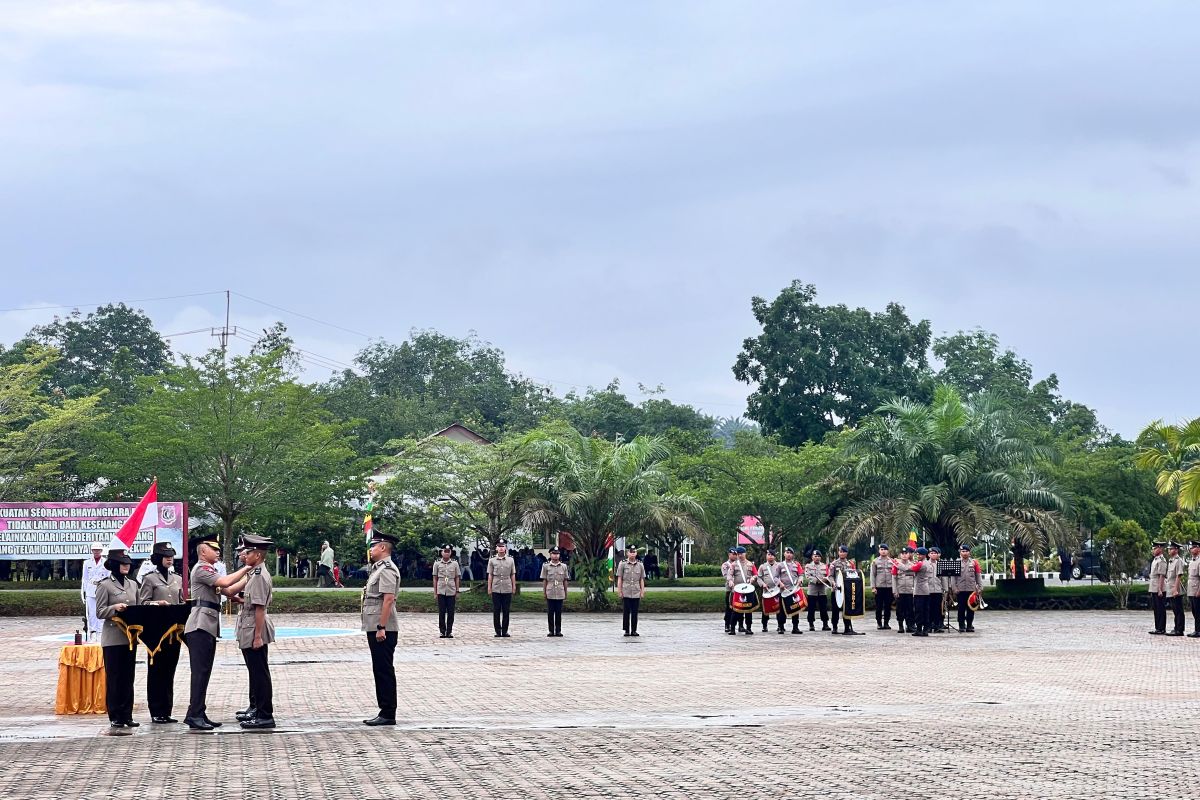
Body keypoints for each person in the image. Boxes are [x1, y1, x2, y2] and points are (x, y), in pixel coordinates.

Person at [182, 537, 252, 730]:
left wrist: (249, 575)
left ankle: (198, 712)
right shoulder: (202, 569)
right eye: (214, 549)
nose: (218, 552)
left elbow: (228, 590)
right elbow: (226, 581)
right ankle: (194, 714)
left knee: (204, 671)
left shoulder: (209, 570)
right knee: (200, 672)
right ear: (203, 552)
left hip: (207, 624)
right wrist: (247, 568)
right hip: (200, 625)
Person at [137, 542, 184, 724]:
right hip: (156, 633)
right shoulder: (150, 579)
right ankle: (156, 710)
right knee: (157, 671)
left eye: (171, 555)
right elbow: (143, 603)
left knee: (169, 671)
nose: (169, 558)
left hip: (173, 633)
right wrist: (157, 604)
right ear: (157, 558)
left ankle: (167, 710)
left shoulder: (178, 579)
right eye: (165, 556)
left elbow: (180, 601)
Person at [94, 548, 140, 730]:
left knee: (128, 678)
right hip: (113, 638)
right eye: (122, 563)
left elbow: (137, 608)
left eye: (128, 563)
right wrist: (115, 607)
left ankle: (127, 715)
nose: (126, 566)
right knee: (114, 678)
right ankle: (115, 715)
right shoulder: (104, 585)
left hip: (129, 637)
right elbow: (99, 611)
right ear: (113, 565)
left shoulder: (133, 585)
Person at [235, 534, 277, 729]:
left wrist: (258, 636)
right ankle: (259, 712)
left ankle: (264, 715)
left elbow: (260, 608)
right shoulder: (255, 573)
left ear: (258, 555)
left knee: (260, 673)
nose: (245, 554)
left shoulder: (259, 576)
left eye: (249, 552)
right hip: (251, 625)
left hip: (254, 628)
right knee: (257, 672)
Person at [362, 531, 401, 726]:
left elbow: (388, 599)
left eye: (374, 546)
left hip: (382, 627)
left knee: (384, 669)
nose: (371, 549)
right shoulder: (377, 568)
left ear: (383, 548)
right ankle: (384, 710)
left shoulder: (386, 569)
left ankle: (388, 712)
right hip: (376, 625)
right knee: (379, 669)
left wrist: (381, 627)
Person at [827, 545, 862, 635]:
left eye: (844, 552)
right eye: (840, 551)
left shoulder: (850, 564)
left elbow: (854, 575)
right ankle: (834, 627)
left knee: (847, 609)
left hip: (847, 591)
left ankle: (848, 627)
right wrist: (833, 583)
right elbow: (830, 576)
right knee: (835, 610)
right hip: (836, 591)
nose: (842, 553)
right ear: (838, 552)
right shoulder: (834, 564)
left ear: (846, 553)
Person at [487, 539, 517, 638]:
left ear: (506, 548)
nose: (501, 548)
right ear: (496, 548)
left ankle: (505, 631)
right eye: (499, 546)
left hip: (507, 586)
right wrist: (489, 587)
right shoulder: (492, 560)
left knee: (506, 610)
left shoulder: (510, 560)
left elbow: (513, 574)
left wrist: (514, 586)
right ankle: (497, 630)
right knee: (496, 610)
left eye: (503, 546)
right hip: (496, 586)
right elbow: (490, 575)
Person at [616, 545, 646, 637]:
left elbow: (641, 579)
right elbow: (620, 578)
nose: (633, 554)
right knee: (626, 612)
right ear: (627, 553)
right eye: (631, 552)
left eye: (634, 552)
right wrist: (619, 590)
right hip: (626, 591)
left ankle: (634, 630)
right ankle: (626, 630)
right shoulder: (623, 564)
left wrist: (642, 591)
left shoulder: (640, 564)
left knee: (635, 612)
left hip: (636, 591)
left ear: (636, 553)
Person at [952, 545, 984, 633]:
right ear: (960, 552)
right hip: (960, 589)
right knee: (961, 608)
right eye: (963, 551)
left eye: (966, 551)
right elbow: (953, 577)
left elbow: (978, 575)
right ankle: (961, 625)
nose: (964, 553)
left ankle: (969, 625)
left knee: (971, 608)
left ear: (969, 552)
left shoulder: (974, 562)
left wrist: (980, 587)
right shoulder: (956, 562)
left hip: (971, 589)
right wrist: (954, 588)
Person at [81, 542, 107, 642]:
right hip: (90, 590)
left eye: (98, 550)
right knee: (91, 613)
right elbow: (85, 578)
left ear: (101, 551)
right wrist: (83, 592)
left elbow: (108, 576)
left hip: (102, 588)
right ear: (92, 551)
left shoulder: (105, 562)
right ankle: (93, 633)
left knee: (101, 611)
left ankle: (100, 632)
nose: (96, 552)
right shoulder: (87, 563)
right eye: (94, 550)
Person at [432, 544, 460, 638]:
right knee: (442, 612)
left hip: (451, 589)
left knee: (451, 612)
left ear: (451, 553)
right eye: (445, 551)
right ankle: (442, 631)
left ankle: (449, 631)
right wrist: (435, 592)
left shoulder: (455, 563)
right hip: (441, 589)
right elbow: (435, 578)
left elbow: (457, 578)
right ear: (441, 552)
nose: (446, 553)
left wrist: (457, 590)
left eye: (448, 551)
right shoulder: (437, 563)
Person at [541, 546, 569, 637]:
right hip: (550, 590)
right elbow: (544, 580)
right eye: (554, 553)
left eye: (557, 554)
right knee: (550, 612)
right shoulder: (546, 566)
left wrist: (566, 592)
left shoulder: (564, 566)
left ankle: (558, 630)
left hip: (560, 591)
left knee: (558, 613)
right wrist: (544, 592)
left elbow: (565, 580)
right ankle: (551, 630)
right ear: (550, 554)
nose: (555, 556)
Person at [775, 547, 803, 634]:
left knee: (795, 609)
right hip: (784, 591)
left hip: (794, 590)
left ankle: (795, 627)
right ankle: (781, 626)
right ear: (784, 554)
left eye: (790, 553)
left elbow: (801, 574)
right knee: (782, 610)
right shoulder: (780, 565)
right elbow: (775, 577)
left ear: (793, 555)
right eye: (787, 552)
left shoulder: (796, 564)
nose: (789, 554)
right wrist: (780, 584)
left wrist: (800, 580)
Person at [755, 549, 782, 633]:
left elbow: (782, 576)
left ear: (774, 556)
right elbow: (759, 577)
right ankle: (764, 625)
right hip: (767, 590)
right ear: (766, 556)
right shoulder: (762, 566)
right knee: (765, 609)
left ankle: (780, 625)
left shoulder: (779, 565)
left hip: (777, 590)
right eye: (769, 555)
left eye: (772, 555)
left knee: (779, 609)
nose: (770, 556)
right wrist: (763, 584)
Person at [891, 547, 916, 634]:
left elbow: (915, 579)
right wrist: (895, 591)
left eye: (906, 553)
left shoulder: (913, 565)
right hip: (900, 591)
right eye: (903, 553)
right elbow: (894, 578)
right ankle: (900, 626)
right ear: (900, 555)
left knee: (910, 610)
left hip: (910, 591)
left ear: (909, 555)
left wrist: (915, 590)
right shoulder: (896, 565)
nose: (904, 555)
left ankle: (909, 626)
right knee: (900, 610)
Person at [805, 549, 831, 632]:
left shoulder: (824, 566)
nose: (817, 558)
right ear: (812, 557)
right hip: (812, 591)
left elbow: (829, 575)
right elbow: (808, 576)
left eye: (818, 556)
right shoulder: (808, 566)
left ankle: (825, 624)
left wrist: (825, 580)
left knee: (823, 608)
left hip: (822, 590)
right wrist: (817, 581)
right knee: (811, 608)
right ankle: (811, 624)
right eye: (815, 556)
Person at [870, 543, 894, 630]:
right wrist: (873, 587)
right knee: (879, 606)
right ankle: (879, 623)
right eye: (881, 549)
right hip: (879, 587)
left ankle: (886, 623)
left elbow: (894, 575)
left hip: (889, 587)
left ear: (888, 551)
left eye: (885, 549)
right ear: (879, 551)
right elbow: (872, 575)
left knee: (888, 606)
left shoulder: (892, 561)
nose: (883, 551)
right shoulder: (875, 561)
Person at [909, 547, 933, 637]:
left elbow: (910, 570)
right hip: (925, 589)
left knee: (919, 611)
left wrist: (896, 564)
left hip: (920, 590)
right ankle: (925, 629)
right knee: (925, 610)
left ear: (924, 555)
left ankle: (920, 629)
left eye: (920, 554)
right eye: (917, 554)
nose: (918, 556)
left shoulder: (922, 564)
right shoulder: (927, 563)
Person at [733, 546, 756, 634]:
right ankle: (738, 626)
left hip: (748, 590)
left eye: (741, 554)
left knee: (748, 611)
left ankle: (749, 627)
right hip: (738, 590)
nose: (739, 555)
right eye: (738, 554)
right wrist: (730, 581)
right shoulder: (734, 564)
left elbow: (755, 574)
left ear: (745, 553)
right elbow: (730, 575)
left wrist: (753, 578)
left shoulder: (751, 564)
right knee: (738, 610)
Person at [1166, 541, 1187, 636]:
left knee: (1179, 610)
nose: (1169, 550)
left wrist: (1175, 589)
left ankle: (1179, 630)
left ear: (1176, 550)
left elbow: (1179, 576)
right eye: (1169, 549)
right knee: (1175, 610)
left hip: (1175, 589)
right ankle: (1176, 628)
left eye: (1171, 549)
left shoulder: (1178, 561)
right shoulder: (1171, 561)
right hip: (1170, 588)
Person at [1148, 541, 1168, 635]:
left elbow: (1161, 575)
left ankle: (1161, 628)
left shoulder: (1162, 560)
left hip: (1159, 588)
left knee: (1160, 608)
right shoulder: (1155, 560)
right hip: (1154, 586)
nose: (1153, 550)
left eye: (1155, 548)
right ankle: (1157, 627)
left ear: (1160, 548)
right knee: (1156, 608)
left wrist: (1160, 589)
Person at [927, 547, 947, 633]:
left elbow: (944, 578)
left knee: (937, 609)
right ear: (928, 555)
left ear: (937, 555)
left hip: (938, 590)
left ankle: (936, 626)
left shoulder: (940, 565)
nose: (933, 555)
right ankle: (928, 626)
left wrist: (945, 590)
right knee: (928, 609)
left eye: (935, 553)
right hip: (927, 590)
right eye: (931, 553)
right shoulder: (925, 564)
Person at [721, 547, 739, 634]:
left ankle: (741, 625)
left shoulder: (739, 564)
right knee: (729, 608)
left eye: (736, 554)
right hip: (730, 590)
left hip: (739, 590)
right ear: (729, 554)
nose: (735, 556)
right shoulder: (725, 565)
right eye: (733, 554)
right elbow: (726, 576)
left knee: (740, 608)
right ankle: (727, 625)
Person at [1187, 541, 1200, 638]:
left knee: (1198, 611)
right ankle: (1197, 629)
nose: (1191, 549)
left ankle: (1198, 630)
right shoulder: (1192, 561)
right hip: (1191, 588)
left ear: (1198, 549)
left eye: (1193, 547)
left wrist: (1199, 590)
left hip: (1197, 588)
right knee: (1194, 611)